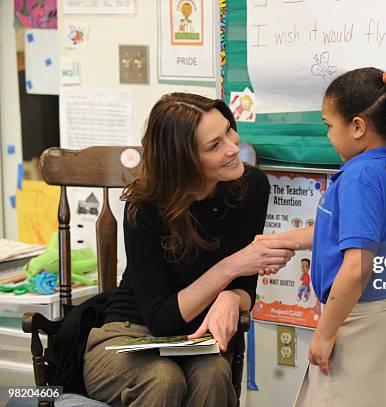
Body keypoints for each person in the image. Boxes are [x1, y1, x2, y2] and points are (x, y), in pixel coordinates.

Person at [83, 93, 298, 407]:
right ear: (183, 161)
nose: (233, 147)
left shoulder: (251, 189)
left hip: (194, 343)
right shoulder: (143, 209)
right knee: (163, 379)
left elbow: (245, 289)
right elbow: (161, 320)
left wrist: (231, 296)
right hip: (128, 336)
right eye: (214, 145)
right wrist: (230, 267)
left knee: (212, 376)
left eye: (228, 130)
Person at [257, 68, 386, 406]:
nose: (328, 136)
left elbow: (357, 266)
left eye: (330, 126)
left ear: (358, 127)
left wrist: (325, 333)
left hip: (361, 322)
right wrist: (288, 240)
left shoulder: (359, 176)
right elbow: (351, 234)